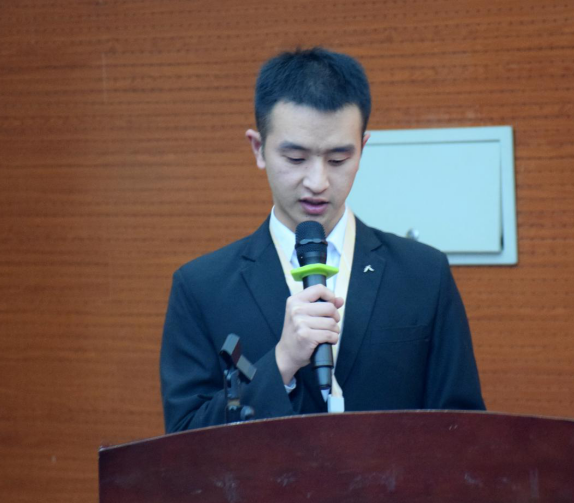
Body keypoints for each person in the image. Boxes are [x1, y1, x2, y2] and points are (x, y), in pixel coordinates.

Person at [160, 48, 485, 433]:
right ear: (258, 149)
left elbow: (463, 431)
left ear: (362, 149)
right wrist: (281, 363)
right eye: (296, 159)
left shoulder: (424, 274)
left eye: (338, 159)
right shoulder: (201, 287)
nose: (318, 182)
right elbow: (184, 440)